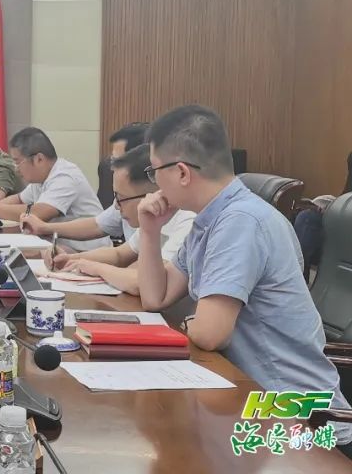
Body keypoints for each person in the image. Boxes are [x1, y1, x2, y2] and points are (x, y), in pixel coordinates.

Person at [135, 104, 352, 450]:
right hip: (250, 395)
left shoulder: (241, 221)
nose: (153, 183)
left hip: (297, 414)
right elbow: (155, 297)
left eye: (153, 171)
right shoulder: (211, 219)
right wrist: (149, 230)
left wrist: (191, 322)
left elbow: (210, 334)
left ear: (181, 172)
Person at [44, 144, 195, 295]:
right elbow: (119, 254)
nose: (116, 206)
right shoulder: (153, 217)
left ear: (153, 193)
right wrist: (70, 259)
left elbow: (143, 283)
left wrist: (96, 268)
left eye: (120, 198)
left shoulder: (188, 221)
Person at [0, 127, 109, 251]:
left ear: (39, 159)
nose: (16, 169)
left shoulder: (65, 176)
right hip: (57, 244)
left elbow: (38, 213)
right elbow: (18, 199)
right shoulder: (41, 178)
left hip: (87, 251)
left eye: (18, 162)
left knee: (6, 254)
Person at [21, 121, 149, 243]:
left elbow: (124, 256)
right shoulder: (125, 200)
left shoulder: (156, 209)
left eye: (117, 162)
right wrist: (43, 228)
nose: (111, 168)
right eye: (111, 161)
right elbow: (96, 225)